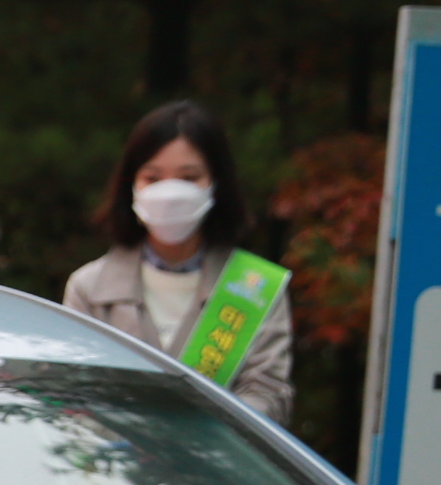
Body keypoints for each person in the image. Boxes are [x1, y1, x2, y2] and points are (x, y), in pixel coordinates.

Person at [63, 99, 294, 422]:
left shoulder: (255, 287)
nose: (170, 193)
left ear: (216, 184)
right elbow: (74, 395)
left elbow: (267, 394)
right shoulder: (88, 288)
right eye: (153, 178)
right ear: (131, 186)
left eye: (188, 177)